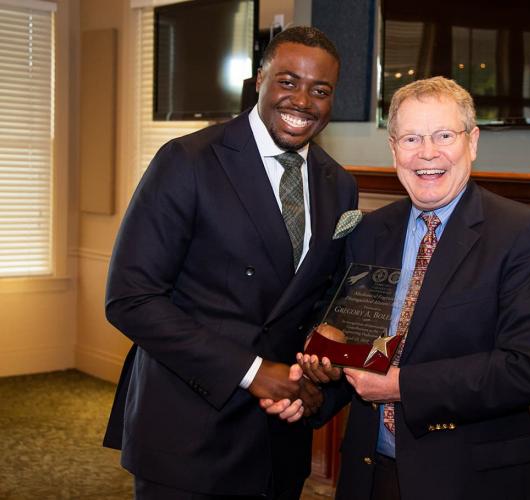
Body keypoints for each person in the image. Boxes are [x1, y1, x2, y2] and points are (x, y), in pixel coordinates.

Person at [267, 76, 530, 499]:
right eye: (411, 138)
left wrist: (401, 385)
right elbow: (359, 347)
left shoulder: (521, 233)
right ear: (393, 150)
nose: (427, 153)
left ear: (472, 142)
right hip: (371, 477)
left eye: (444, 135)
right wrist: (318, 380)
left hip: (470, 482)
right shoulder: (369, 231)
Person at [102, 26, 358, 499]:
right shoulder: (189, 160)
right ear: (259, 79)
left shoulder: (338, 184)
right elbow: (130, 298)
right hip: (189, 429)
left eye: (319, 90)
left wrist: (325, 351)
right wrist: (253, 371)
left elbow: (320, 294)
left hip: (280, 433)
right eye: (287, 81)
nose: (302, 100)